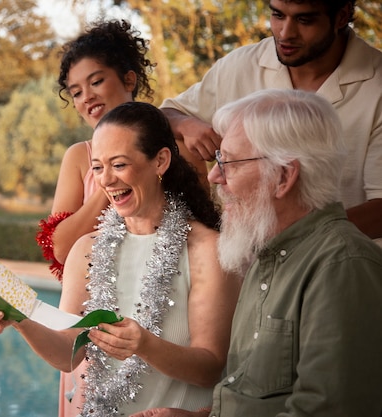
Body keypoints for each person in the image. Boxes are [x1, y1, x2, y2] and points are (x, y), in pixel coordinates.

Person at [0, 102, 240, 416]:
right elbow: (69, 353)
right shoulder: (86, 249)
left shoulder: (207, 248)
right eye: (98, 167)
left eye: (119, 164)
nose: (107, 180)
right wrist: (19, 320)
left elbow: (209, 367)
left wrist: (143, 344)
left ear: (161, 161)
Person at [131, 89, 382, 417]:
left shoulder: (343, 266)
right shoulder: (266, 257)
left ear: (283, 177)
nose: (213, 176)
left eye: (228, 162)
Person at [160, 0, 382, 244]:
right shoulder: (239, 65)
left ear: (341, 17)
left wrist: (293, 240)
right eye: (277, 15)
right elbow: (166, 114)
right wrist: (187, 124)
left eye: (304, 20)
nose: (285, 33)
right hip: (240, 264)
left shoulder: (377, 86)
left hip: (343, 265)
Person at [36, 20, 207, 283]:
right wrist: (111, 177)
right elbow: (60, 250)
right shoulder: (78, 157)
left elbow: (201, 233)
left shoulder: (177, 148)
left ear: (129, 79)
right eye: (77, 92)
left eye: (96, 82)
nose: (87, 97)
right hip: (95, 297)